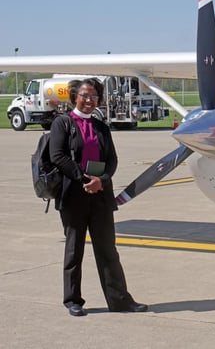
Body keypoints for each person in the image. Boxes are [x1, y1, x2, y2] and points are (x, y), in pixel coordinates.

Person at [49, 77, 148, 317]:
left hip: (100, 195)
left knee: (108, 250)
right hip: (74, 196)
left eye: (94, 96)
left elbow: (112, 160)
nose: (89, 100)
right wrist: (84, 180)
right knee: (74, 251)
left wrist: (100, 181)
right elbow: (58, 156)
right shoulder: (62, 124)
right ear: (75, 96)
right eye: (84, 95)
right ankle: (73, 300)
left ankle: (120, 300)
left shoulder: (101, 126)